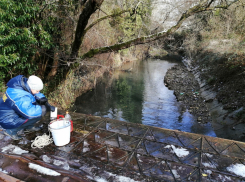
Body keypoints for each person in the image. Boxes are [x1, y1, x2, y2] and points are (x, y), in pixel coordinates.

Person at [0, 75, 55, 140]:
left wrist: (42, 99)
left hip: (10, 112)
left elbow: (33, 93)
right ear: (31, 87)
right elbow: (29, 113)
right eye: (37, 91)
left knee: (37, 111)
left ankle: (29, 126)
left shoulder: (23, 85)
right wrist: (45, 109)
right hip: (7, 119)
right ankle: (11, 131)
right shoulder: (19, 96)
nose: (38, 92)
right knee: (37, 114)